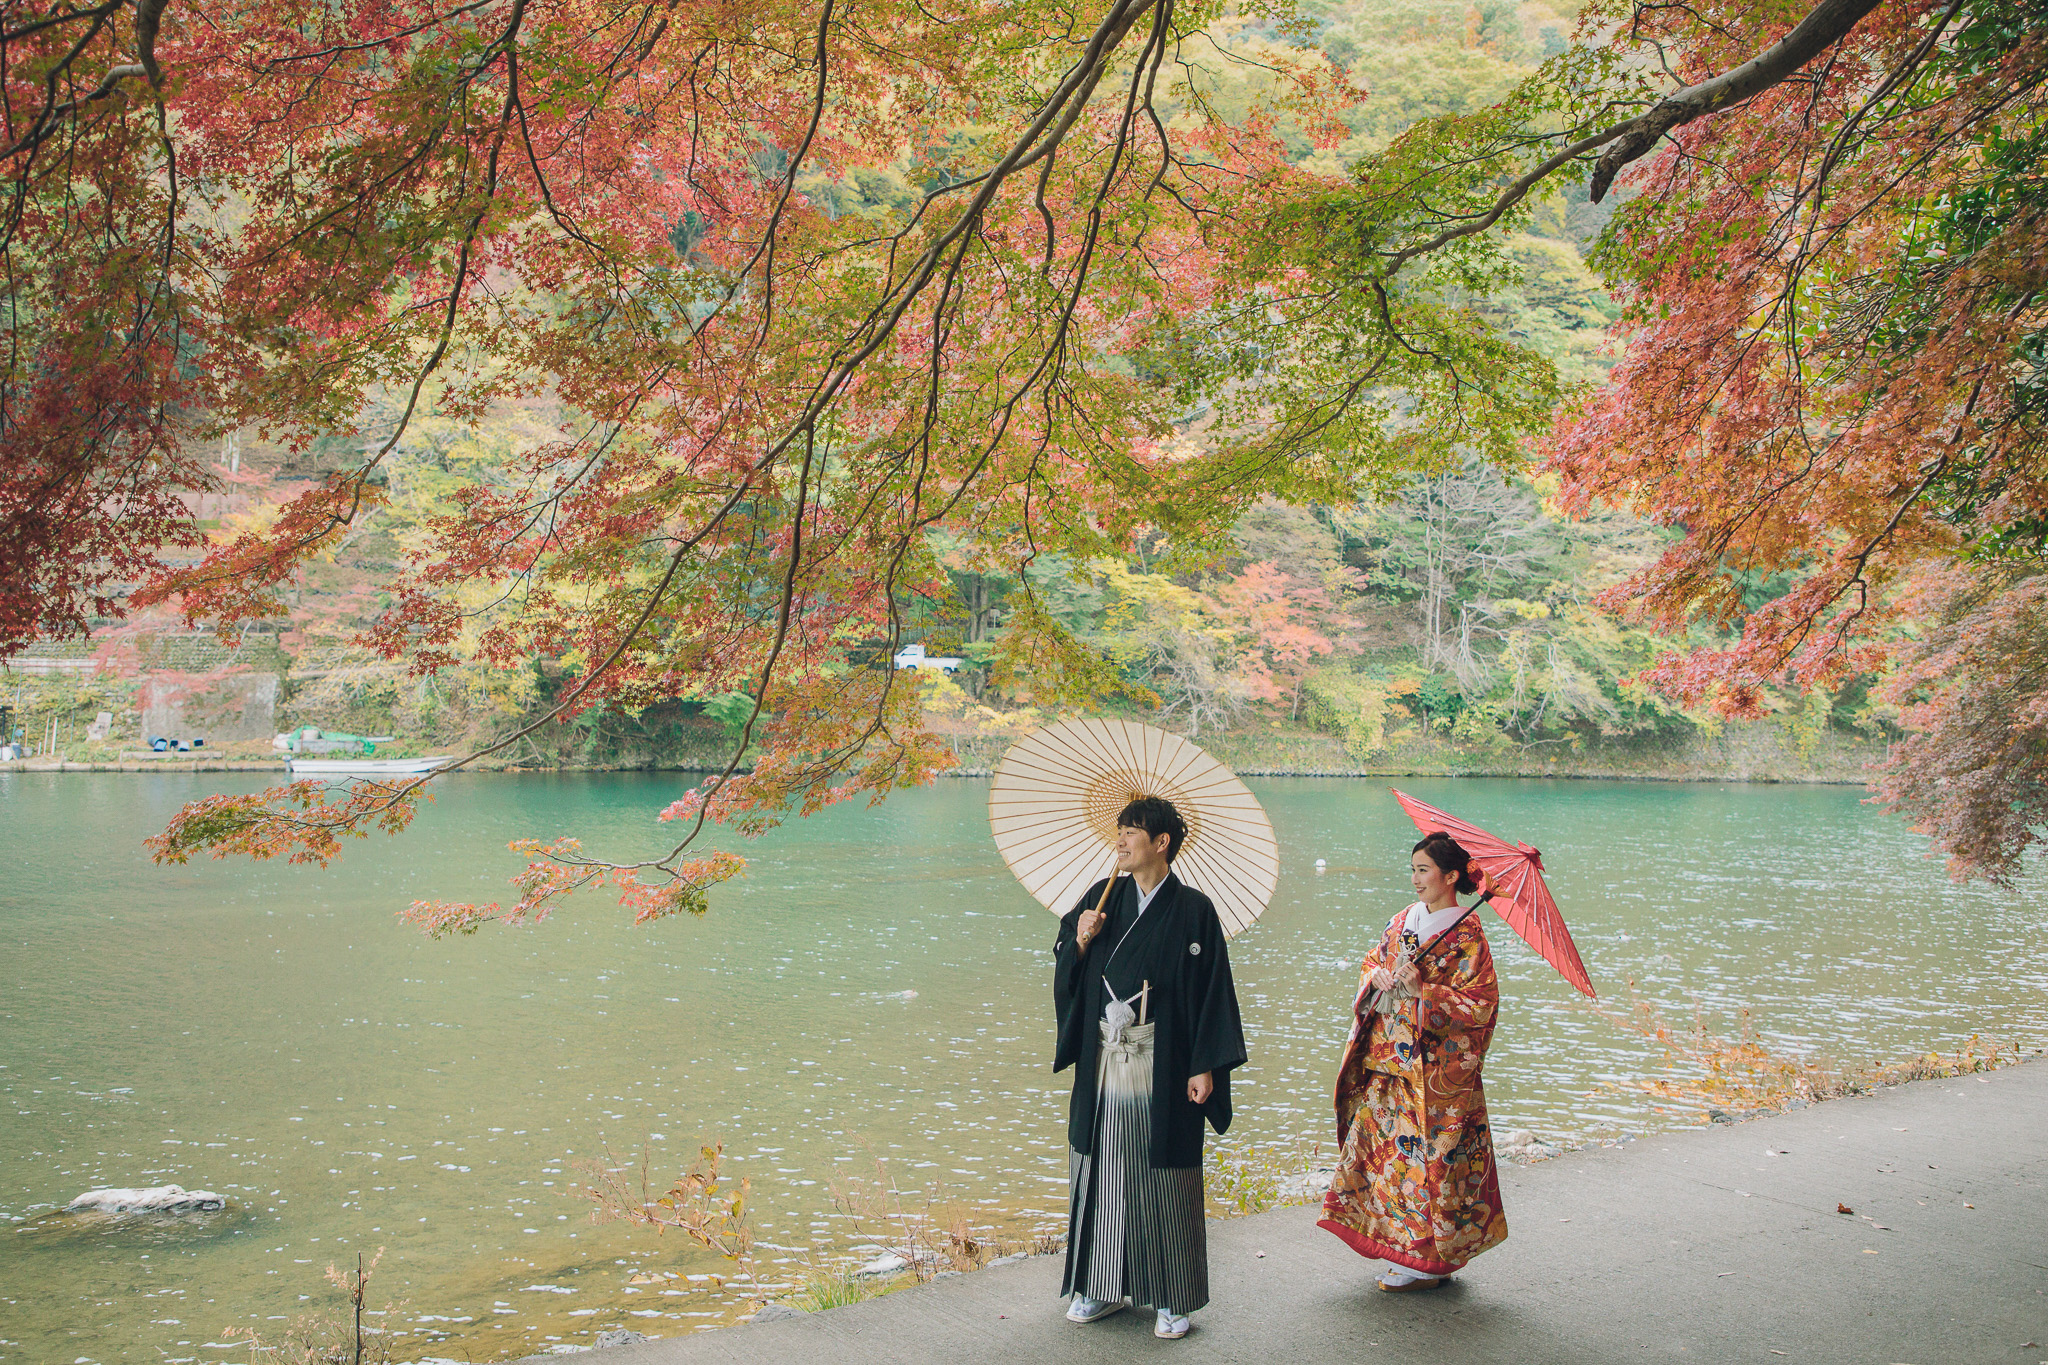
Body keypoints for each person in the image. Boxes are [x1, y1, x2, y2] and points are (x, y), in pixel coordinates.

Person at [1053, 796, 1246, 1340]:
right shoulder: (1100, 898)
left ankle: (1171, 1297)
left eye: (1131, 830)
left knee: (1164, 1175)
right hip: (1105, 1061)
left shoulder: (1194, 910)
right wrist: (1079, 941)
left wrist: (1206, 1064)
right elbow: (1065, 964)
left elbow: (1214, 994)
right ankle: (1098, 1286)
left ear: (1160, 843)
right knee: (1101, 1171)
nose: (1120, 839)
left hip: (1165, 1063)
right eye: (1119, 830)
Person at [1317, 830, 1507, 1290]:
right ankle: (1400, 1250)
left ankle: (1427, 1262)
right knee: (1384, 1159)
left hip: (1435, 1072)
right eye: (1413, 869)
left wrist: (1428, 991)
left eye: (1424, 870)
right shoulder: (1404, 918)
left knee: (1429, 1166)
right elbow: (1372, 961)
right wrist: (1377, 975)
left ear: (1452, 875)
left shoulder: (1468, 934)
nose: (1416, 879)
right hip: (1389, 1062)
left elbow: (1481, 1004)